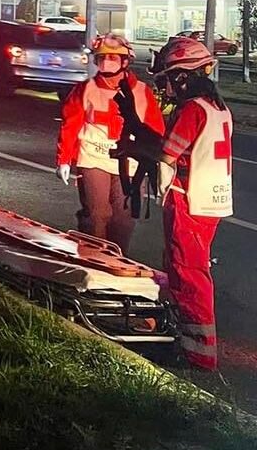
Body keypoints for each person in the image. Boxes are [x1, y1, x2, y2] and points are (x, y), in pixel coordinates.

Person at [114, 37, 234, 371]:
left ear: (184, 76)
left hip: (188, 200)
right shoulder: (216, 108)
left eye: (167, 80)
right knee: (186, 270)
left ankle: (197, 354)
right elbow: (171, 146)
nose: (165, 89)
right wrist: (137, 126)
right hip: (209, 201)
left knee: (188, 274)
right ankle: (184, 341)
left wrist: (135, 146)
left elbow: (166, 155)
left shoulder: (192, 109)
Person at [56, 33, 165, 255]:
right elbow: (70, 126)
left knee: (123, 221)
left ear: (125, 61)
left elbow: (156, 131)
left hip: (131, 164)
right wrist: (64, 159)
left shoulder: (142, 92)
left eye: (114, 57)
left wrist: (159, 164)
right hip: (93, 159)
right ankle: (92, 261)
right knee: (97, 215)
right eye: (102, 57)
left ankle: (116, 260)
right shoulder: (85, 89)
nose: (107, 62)